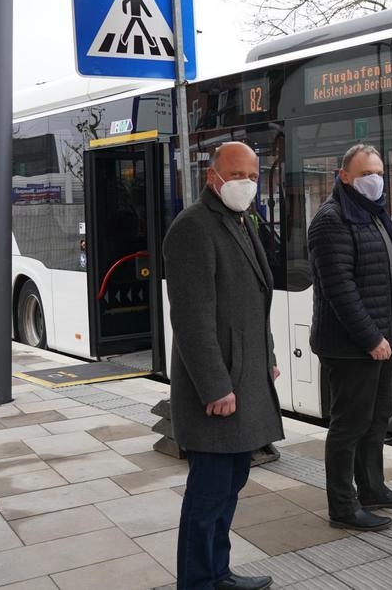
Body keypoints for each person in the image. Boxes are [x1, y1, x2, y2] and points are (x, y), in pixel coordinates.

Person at [163, 142, 281, 590]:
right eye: (237, 175)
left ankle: (219, 572)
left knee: (231, 480)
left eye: (253, 175)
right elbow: (192, 319)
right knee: (209, 490)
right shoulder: (193, 227)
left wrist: (267, 359)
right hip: (216, 387)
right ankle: (196, 581)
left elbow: (254, 303)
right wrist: (215, 387)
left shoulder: (240, 220)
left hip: (245, 377)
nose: (246, 184)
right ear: (212, 176)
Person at [308, 143, 392, 531]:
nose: (375, 180)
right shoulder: (331, 219)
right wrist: (372, 338)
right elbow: (340, 289)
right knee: (348, 426)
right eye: (366, 173)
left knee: (376, 419)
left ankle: (372, 488)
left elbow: (388, 276)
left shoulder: (373, 214)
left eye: (379, 173)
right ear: (344, 177)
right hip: (351, 346)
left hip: (382, 340)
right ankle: (343, 506)